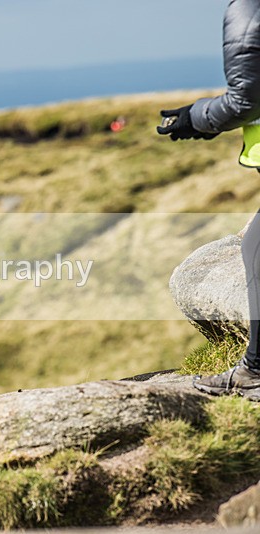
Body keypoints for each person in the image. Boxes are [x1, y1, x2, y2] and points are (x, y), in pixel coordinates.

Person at [157, 0, 260, 401]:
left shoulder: (249, 8)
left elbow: (246, 99)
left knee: (255, 249)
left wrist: (195, 118)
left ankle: (254, 371)